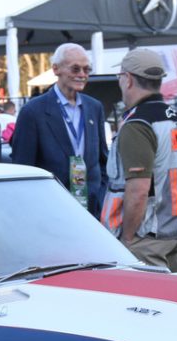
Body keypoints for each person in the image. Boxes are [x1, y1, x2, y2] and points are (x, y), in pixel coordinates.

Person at [100, 48, 177, 272]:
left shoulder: (138, 125)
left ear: (128, 79)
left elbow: (138, 191)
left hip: (147, 236)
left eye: (120, 76)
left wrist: (128, 239)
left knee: (149, 304)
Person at [11, 43, 109, 215]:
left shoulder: (94, 107)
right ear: (56, 69)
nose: (82, 75)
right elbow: (23, 168)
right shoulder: (33, 111)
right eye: (75, 69)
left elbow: (102, 160)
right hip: (51, 209)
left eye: (86, 70)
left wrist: (99, 195)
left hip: (91, 209)